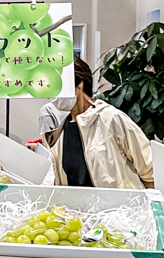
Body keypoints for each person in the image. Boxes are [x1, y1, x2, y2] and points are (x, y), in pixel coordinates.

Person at [49, 57, 155, 188]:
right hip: (77, 207)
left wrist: (153, 204)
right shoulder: (61, 131)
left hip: (120, 207)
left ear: (79, 85)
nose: (53, 95)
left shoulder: (111, 119)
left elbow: (148, 170)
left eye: (58, 87)